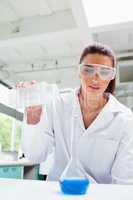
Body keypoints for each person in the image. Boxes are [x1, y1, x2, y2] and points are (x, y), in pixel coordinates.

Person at [20, 43, 133, 184]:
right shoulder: (57, 104)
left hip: (99, 196)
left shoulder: (124, 118)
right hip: (58, 191)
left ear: (112, 76)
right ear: (79, 71)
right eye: (88, 70)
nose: (95, 78)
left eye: (104, 71)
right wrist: (33, 117)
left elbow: (125, 181)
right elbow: (35, 155)